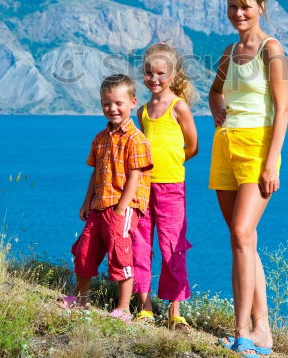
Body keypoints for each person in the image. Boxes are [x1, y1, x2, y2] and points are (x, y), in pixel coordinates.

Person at [208, 0, 288, 358]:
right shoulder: (229, 51)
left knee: (241, 235)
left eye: (246, 6)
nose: (239, 13)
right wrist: (216, 110)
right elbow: (214, 91)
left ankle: (242, 333)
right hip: (225, 147)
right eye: (233, 6)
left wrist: (272, 162)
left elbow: (284, 108)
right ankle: (262, 329)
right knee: (244, 239)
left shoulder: (272, 50)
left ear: (261, 8)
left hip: (258, 150)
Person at [60, 74, 153, 321]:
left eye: (118, 103)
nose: (112, 109)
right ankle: (81, 300)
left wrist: (122, 208)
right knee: (85, 250)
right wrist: (86, 201)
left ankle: (123, 308)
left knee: (121, 253)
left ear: (133, 102)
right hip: (100, 204)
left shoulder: (136, 139)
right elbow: (95, 172)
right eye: (106, 104)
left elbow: (136, 176)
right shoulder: (100, 138)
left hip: (123, 207)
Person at [132, 43, 199, 331]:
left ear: (172, 74)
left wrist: (173, 163)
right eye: (148, 72)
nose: (154, 78)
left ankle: (175, 310)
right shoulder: (143, 111)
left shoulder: (178, 106)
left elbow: (193, 145)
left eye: (160, 72)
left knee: (172, 246)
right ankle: (144, 306)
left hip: (171, 187)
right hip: (144, 186)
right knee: (140, 243)